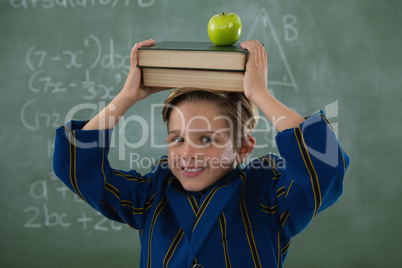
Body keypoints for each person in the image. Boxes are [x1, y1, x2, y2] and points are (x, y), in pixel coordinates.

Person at [53, 39, 350, 268]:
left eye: (206, 139)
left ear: (244, 148)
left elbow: (324, 167)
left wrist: (260, 93)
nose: (187, 153)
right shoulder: (153, 194)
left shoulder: (266, 196)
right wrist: (126, 97)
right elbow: (77, 168)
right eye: (177, 138)